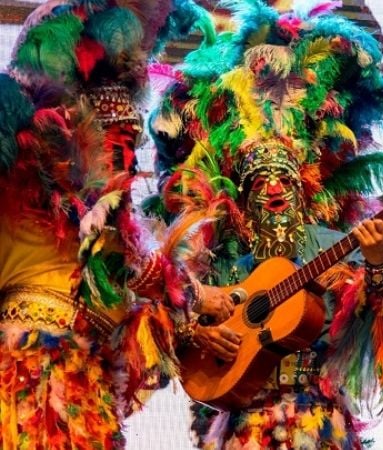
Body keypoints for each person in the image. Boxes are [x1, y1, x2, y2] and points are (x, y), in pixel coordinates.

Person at [147, 1, 383, 448]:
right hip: (241, 426)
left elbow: (380, 324)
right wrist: (197, 329)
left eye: (284, 179)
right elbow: (158, 323)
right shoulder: (218, 253)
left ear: (303, 186)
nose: (272, 189)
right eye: (258, 182)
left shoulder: (331, 244)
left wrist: (379, 263)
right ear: (241, 193)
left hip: (319, 422)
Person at [0, 0, 233, 447]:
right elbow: (123, 262)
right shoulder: (40, 185)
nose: (128, 157)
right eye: (117, 141)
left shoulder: (99, 213)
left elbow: (127, 278)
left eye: (133, 141)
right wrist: (199, 296)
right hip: (39, 370)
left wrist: (188, 318)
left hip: (84, 373)